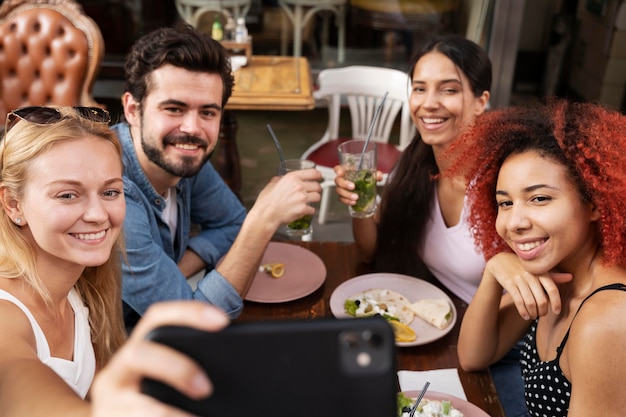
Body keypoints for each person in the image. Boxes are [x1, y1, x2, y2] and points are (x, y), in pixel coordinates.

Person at [334, 34, 529, 416]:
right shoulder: (417, 164)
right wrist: (361, 206)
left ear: (481, 102)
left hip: (500, 350)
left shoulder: (504, 181)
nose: (429, 103)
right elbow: (372, 251)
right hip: (437, 330)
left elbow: (524, 298)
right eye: (419, 88)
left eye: (449, 89)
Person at [0, 105, 231, 415]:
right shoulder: (6, 314)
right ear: (14, 204)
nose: (98, 215)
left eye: (110, 192)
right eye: (68, 195)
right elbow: (13, 379)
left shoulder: (83, 285)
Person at [112, 23, 322, 329]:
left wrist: (175, 270)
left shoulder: (181, 158)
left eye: (208, 112)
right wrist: (262, 220)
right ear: (133, 109)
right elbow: (194, 323)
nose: (193, 129)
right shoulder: (110, 191)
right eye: (174, 108)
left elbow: (231, 222)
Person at [453, 99, 626, 416]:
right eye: (505, 203)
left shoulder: (608, 318)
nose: (514, 222)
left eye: (539, 198)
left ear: (595, 204)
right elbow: (474, 356)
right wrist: (494, 270)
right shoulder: (557, 272)